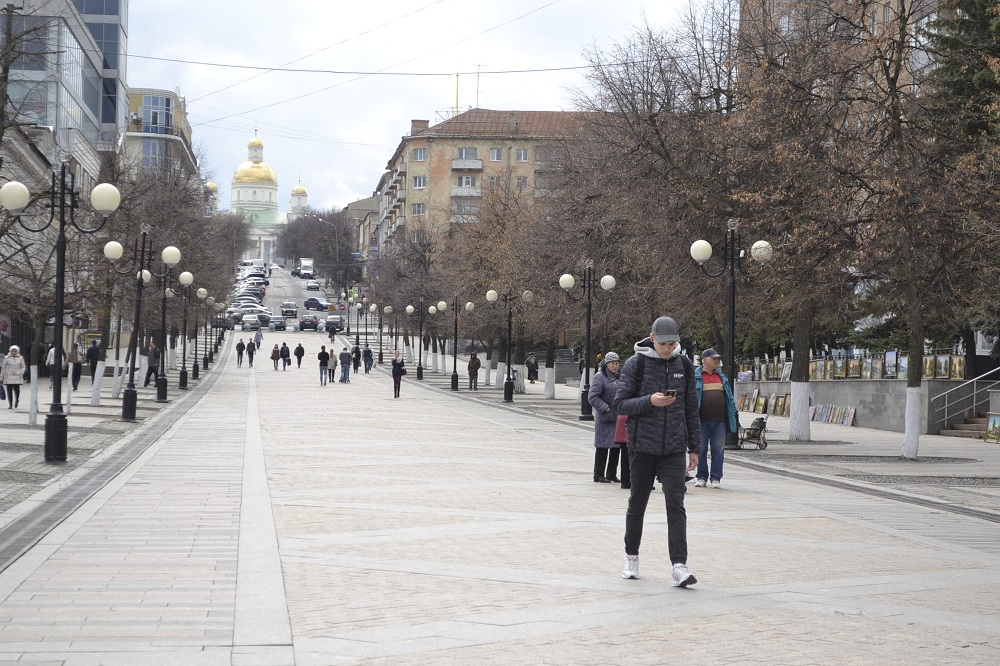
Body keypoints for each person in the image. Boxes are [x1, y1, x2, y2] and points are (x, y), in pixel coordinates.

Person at [614, 316, 699, 587]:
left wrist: (695, 447)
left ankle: (679, 566)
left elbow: (690, 409)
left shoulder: (683, 364)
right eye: (663, 343)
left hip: (673, 448)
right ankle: (631, 556)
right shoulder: (635, 363)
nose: (667, 348)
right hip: (642, 447)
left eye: (672, 343)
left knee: (676, 505)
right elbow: (620, 404)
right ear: (652, 338)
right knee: (637, 503)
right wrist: (650, 401)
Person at [694, 348, 737, 489]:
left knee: (718, 450)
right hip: (701, 420)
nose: (717, 361)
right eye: (714, 359)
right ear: (705, 360)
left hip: (720, 421)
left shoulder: (721, 377)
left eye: (718, 359)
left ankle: (716, 478)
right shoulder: (696, 376)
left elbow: (729, 397)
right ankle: (701, 477)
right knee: (700, 449)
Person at [589, 352, 622, 483]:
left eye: (617, 363)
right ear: (606, 364)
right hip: (605, 417)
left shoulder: (621, 376)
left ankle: (611, 474)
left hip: (618, 417)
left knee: (616, 447)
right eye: (612, 363)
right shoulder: (600, 377)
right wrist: (605, 408)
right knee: (602, 446)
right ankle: (598, 474)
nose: (615, 366)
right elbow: (592, 397)